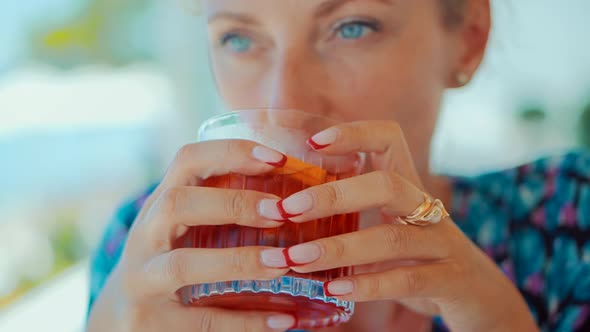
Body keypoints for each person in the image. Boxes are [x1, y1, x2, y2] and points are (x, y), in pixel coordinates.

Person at [86, 0, 590, 331]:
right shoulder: (154, 242)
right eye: (238, 38)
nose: (284, 97)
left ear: (469, 39)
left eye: (352, 27)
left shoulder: (573, 212)